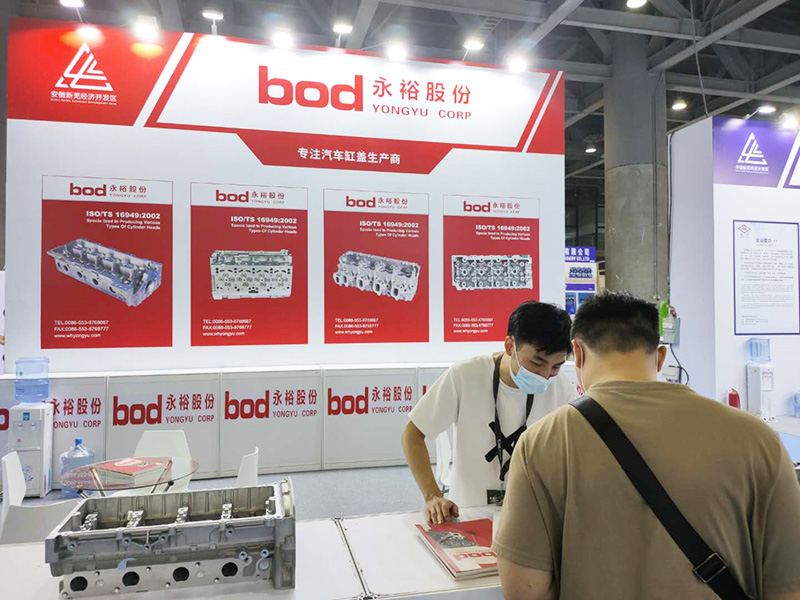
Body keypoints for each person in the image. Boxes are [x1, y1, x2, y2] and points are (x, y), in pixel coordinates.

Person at [493, 291, 800, 600]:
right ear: (661, 356)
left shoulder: (543, 442)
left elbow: (524, 591)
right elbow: (789, 584)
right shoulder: (757, 439)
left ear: (578, 352)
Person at [402, 301, 579, 525]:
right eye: (537, 363)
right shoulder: (466, 375)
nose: (544, 376)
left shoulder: (561, 387)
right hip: (467, 511)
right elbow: (412, 435)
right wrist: (432, 496)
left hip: (531, 514)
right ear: (510, 346)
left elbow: (577, 449)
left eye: (556, 367)